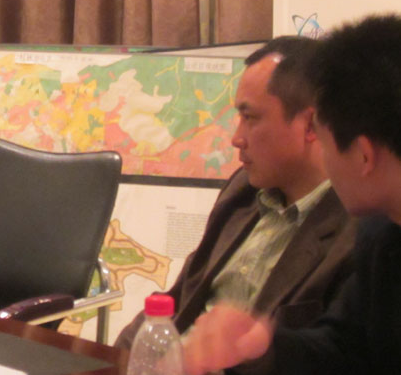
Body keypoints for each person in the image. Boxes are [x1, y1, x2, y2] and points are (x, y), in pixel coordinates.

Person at [183, 14, 401, 375]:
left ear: (364, 156)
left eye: (325, 143)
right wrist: (260, 349)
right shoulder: (386, 234)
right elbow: (348, 357)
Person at [114, 37, 356, 350]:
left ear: (310, 125)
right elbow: (178, 298)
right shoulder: (242, 192)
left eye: (250, 117)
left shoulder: (357, 233)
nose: (236, 138)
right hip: (170, 370)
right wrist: (117, 359)